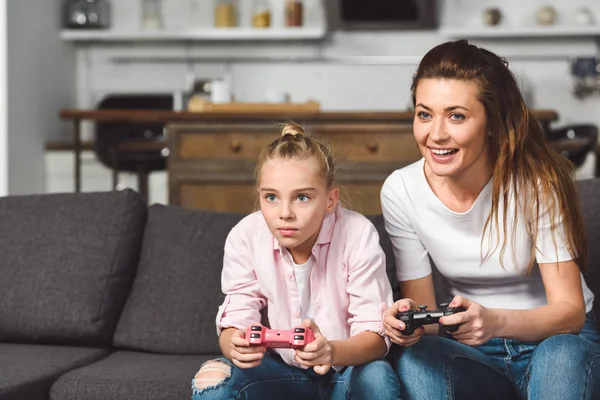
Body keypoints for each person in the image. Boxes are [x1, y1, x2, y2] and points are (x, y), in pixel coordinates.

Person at [381, 39, 600, 400]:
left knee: (562, 356)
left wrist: (495, 321)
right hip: (471, 350)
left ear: (492, 122)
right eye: (424, 114)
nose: (435, 134)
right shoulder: (400, 191)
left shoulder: (537, 184)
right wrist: (408, 325)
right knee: (416, 359)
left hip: (554, 342)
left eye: (457, 116)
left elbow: (570, 313)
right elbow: (427, 318)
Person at [192, 123, 401, 400]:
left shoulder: (358, 233)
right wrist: (236, 345)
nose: (285, 213)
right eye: (271, 198)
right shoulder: (246, 235)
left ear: (330, 200)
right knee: (212, 380)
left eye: (302, 197)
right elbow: (235, 318)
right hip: (282, 373)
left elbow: (375, 337)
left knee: (377, 377)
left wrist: (330, 351)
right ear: (259, 196)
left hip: (346, 371)